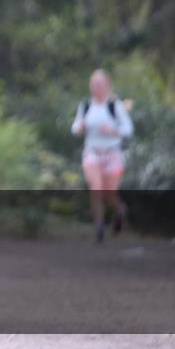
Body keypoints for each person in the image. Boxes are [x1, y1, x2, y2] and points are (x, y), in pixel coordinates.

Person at [70, 69, 133, 242]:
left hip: (113, 153)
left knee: (109, 193)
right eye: (94, 84)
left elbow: (128, 129)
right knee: (95, 188)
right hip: (92, 152)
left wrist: (113, 130)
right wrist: (79, 128)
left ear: (108, 85)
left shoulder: (115, 106)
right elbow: (75, 126)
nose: (97, 87)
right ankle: (99, 226)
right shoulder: (86, 105)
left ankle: (119, 209)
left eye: (100, 84)